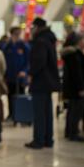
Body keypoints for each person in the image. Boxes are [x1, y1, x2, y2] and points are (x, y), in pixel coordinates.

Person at [25, 18, 61, 149]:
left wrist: (31, 72)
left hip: (40, 81)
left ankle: (39, 140)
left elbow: (39, 61)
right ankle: (48, 139)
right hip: (49, 82)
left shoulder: (40, 41)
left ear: (37, 27)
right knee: (47, 112)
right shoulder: (49, 39)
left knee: (39, 113)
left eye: (33, 27)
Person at [61, 33, 84, 142]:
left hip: (72, 87)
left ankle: (69, 131)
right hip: (76, 88)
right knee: (76, 111)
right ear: (77, 41)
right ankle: (73, 133)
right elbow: (77, 73)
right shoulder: (74, 54)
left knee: (72, 110)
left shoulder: (69, 53)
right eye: (82, 40)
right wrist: (81, 88)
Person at [2, 26, 30, 121]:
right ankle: (11, 114)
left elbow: (28, 61)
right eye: (15, 34)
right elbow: (3, 61)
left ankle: (20, 114)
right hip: (10, 76)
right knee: (10, 96)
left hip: (20, 77)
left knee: (20, 95)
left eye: (19, 34)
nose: (17, 36)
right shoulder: (7, 46)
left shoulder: (24, 46)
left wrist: (24, 71)